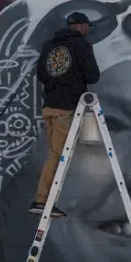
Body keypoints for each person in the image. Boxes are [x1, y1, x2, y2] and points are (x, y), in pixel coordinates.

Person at [31, 11, 101, 217]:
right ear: (81, 26)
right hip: (67, 108)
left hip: (49, 107)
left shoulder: (49, 46)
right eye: (87, 26)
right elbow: (93, 75)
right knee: (58, 155)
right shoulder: (81, 45)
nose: (87, 30)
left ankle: (44, 200)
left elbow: (42, 76)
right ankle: (42, 201)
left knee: (56, 153)